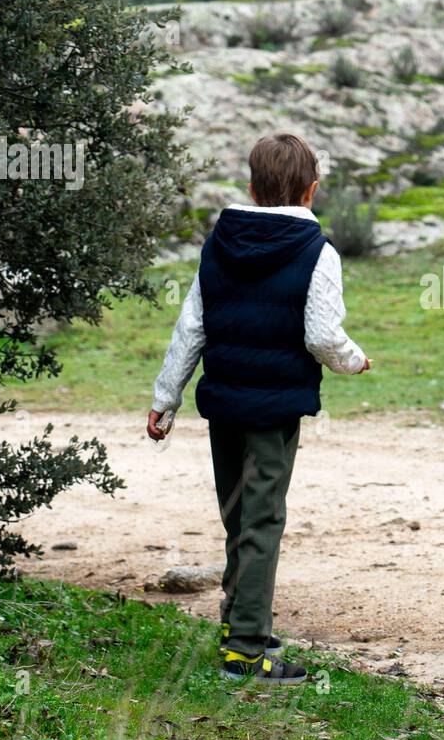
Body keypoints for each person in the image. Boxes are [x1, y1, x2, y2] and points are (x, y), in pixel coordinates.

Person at [147, 133, 370, 684]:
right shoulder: (318, 253)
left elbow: (191, 328)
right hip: (273, 412)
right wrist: (355, 360)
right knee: (263, 520)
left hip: (223, 404)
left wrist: (164, 399)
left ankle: (239, 622)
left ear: (250, 187)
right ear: (311, 192)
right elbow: (321, 335)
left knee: (238, 516)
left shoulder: (218, 243)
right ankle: (247, 649)